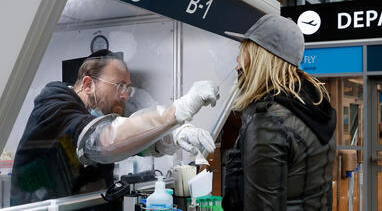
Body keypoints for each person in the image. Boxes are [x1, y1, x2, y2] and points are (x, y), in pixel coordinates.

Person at [10, 50, 219, 205]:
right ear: (88, 85)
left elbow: (130, 139)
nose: (125, 95)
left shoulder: (91, 116)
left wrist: (172, 136)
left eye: (128, 88)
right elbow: (106, 141)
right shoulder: (55, 106)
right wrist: (177, 111)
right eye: (119, 86)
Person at [222, 14, 337, 210]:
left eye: (243, 55)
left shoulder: (268, 122)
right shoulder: (311, 109)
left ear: (260, 59)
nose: (237, 64)